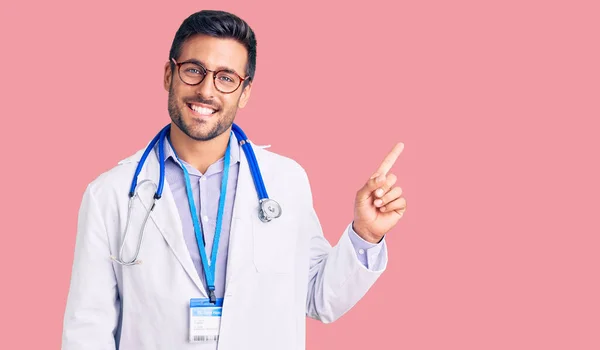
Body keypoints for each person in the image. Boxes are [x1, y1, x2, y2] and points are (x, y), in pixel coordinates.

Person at [61, 9, 407, 350]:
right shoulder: (110, 193)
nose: (207, 90)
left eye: (226, 77)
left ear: (245, 92)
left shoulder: (286, 182)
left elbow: (318, 297)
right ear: (169, 74)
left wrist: (367, 234)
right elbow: (87, 328)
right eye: (193, 70)